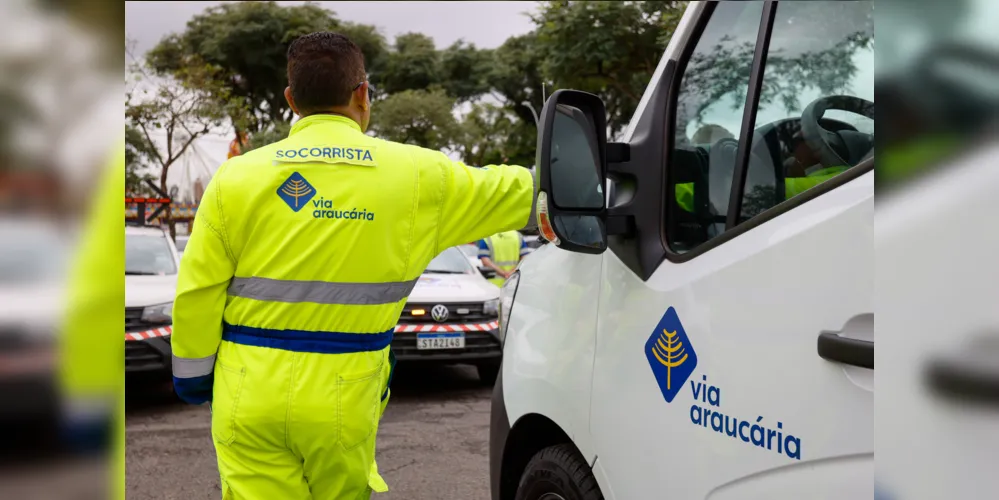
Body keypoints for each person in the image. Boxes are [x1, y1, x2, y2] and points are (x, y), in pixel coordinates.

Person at [170, 32, 535, 500]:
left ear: (291, 100)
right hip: (345, 392)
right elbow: (526, 191)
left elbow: (198, 289)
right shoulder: (419, 176)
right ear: (362, 93)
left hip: (247, 389)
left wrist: (194, 377)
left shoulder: (236, 177)